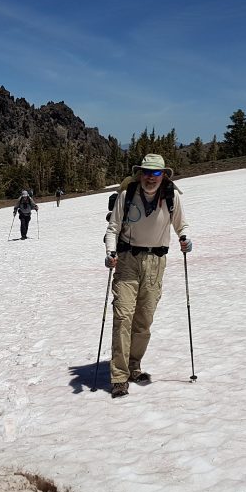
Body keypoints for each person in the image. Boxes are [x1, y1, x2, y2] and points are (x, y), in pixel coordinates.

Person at [103, 153, 191, 398]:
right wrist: (111, 252)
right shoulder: (126, 196)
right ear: (140, 173)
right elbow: (113, 228)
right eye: (146, 172)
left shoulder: (171, 197)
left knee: (144, 319)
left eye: (155, 173)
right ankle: (119, 376)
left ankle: (134, 366)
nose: (150, 178)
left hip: (156, 262)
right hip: (127, 260)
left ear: (163, 175)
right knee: (123, 315)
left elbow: (181, 225)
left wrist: (185, 238)